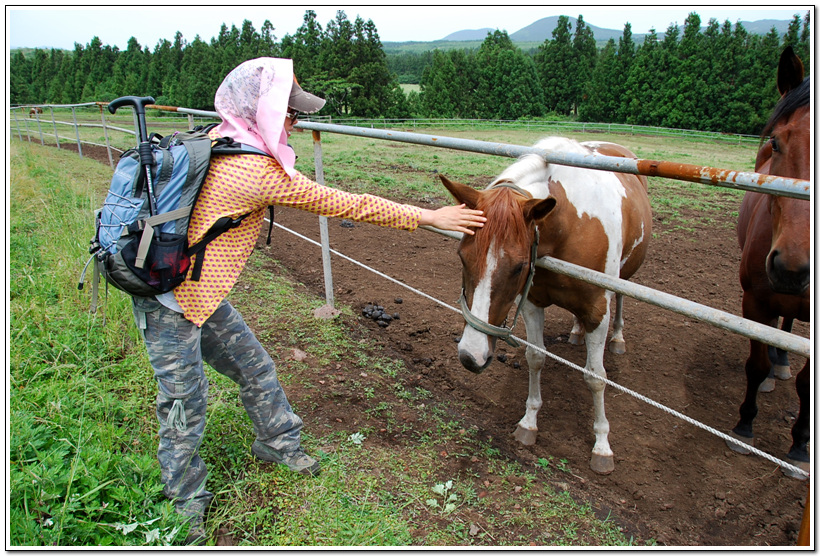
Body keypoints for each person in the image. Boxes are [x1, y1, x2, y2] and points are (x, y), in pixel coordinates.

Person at [131, 57, 486, 545]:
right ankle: (184, 503)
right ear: (261, 111)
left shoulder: (220, 137)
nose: (296, 121)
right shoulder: (252, 169)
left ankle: (277, 443)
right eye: (290, 113)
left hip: (202, 294)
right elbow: (345, 203)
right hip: (169, 303)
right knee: (183, 402)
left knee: (255, 367)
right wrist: (427, 217)